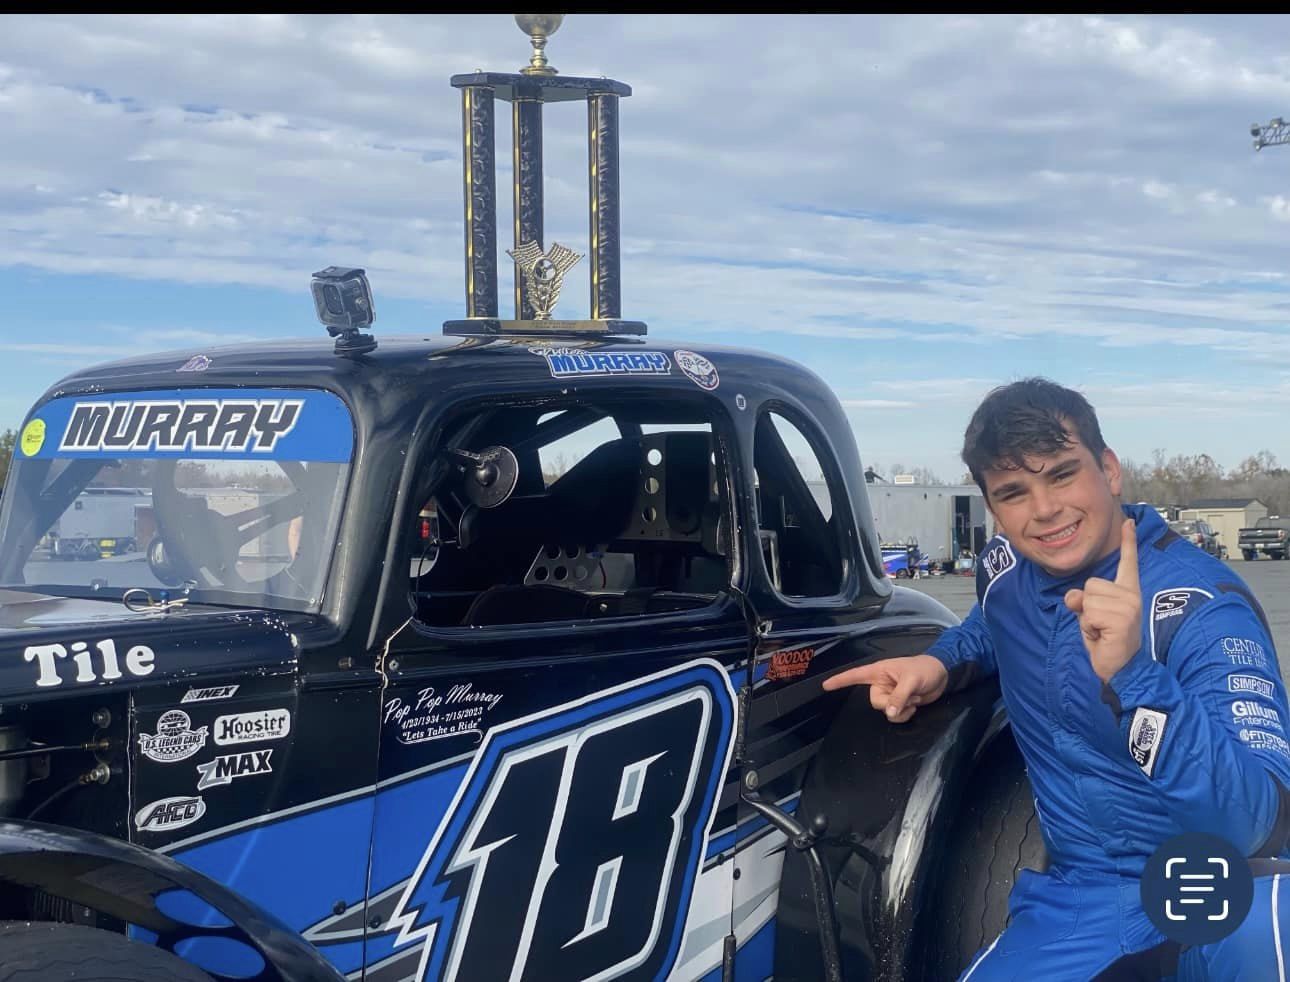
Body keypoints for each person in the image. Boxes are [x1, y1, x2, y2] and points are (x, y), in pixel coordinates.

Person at [824, 378, 1290, 980]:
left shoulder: (1201, 607)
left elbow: (1256, 823)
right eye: (1015, 492)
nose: (1045, 510)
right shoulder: (1004, 573)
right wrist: (938, 664)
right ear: (993, 510)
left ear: (1110, 470)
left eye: (1063, 474)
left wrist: (1136, 678)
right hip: (1079, 899)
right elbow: (990, 627)